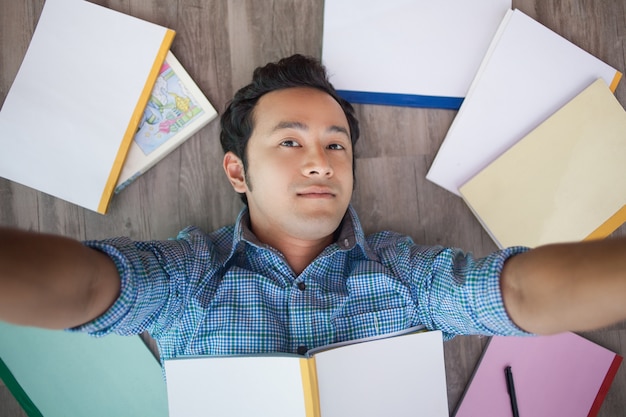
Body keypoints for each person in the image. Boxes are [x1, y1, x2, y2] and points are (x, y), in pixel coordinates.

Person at [1, 55, 625, 363]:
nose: (321, 161)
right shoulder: (189, 278)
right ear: (237, 171)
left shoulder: (407, 276)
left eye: (336, 145)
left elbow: (515, 296)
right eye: (290, 142)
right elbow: (88, 289)